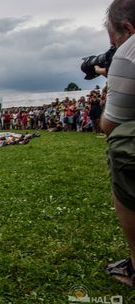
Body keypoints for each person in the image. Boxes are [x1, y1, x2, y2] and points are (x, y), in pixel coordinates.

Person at [96, 0, 135, 288]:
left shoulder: (129, 50)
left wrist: (114, 80)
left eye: (115, 42)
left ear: (129, 29)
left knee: (123, 141)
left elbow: (110, 125)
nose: (115, 49)